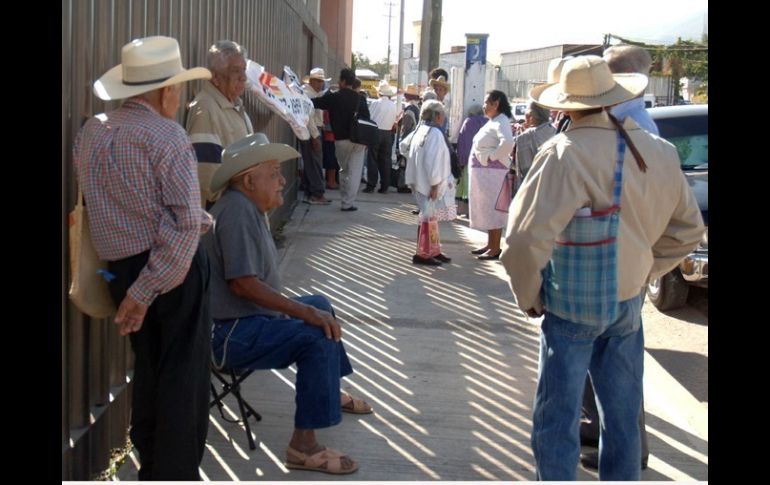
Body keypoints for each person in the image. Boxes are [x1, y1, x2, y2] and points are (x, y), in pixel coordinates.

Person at [500, 56, 704, 480]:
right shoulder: (659, 151)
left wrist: (529, 295)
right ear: (611, 96)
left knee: (557, 418)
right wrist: (646, 269)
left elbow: (521, 240)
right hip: (628, 305)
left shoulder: (563, 153)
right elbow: (687, 231)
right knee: (623, 416)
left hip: (571, 307)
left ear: (565, 106)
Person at [73, 36, 213, 480]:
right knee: (183, 379)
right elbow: (185, 223)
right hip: (171, 270)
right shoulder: (167, 135)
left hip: (120, 269)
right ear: (167, 90)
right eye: (178, 88)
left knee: (149, 369)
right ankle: (172, 474)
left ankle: (151, 466)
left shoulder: (91, 131)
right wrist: (147, 290)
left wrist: (135, 292)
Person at [203, 133, 373, 475]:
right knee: (315, 335)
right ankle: (303, 447)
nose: (282, 180)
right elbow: (243, 284)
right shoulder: (236, 211)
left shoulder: (246, 206)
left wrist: (308, 309)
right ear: (249, 181)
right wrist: (303, 312)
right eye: (274, 173)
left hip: (245, 319)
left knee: (320, 303)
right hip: (228, 333)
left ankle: (328, 389)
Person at [578, 44, 662, 472]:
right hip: (615, 262)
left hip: (617, 265)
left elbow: (673, 218)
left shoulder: (635, 126)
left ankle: (630, 452)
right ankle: (596, 430)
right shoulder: (624, 119)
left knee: (621, 372)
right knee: (607, 361)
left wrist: (647, 268)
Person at [186, 40, 253, 206]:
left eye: (244, 70)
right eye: (235, 71)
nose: (243, 77)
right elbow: (207, 181)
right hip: (224, 212)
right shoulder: (206, 109)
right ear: (215, 77)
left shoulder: (234, 104)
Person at [401, 100, 454, 265]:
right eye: (443, 114)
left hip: (419, 181)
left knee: (430, 218)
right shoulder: (434, 133)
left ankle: (433, 250)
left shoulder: (421, 129)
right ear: (437, 116)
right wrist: (435, 184)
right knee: (427, 218)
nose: (444, 117)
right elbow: (432, 161)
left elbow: (403, 147)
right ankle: (423, 254)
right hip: (429, 184)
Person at [312, 68, 371, 212]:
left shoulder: (335, 97)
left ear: (343, 81)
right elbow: (367, 119)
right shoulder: (360, 98)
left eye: (339, 80)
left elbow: (315, 103)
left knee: (344, 169)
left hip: (341, 140)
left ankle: (345, 198)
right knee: (355, 172)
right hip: (358, 140)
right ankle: (348, 203)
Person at [468, 90, 515, 260]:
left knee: (494, 210)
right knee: (487, 209)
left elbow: (508, 142)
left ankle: (495, 248)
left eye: (486, 102)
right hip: (486, 174)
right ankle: (490, 244)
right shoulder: (494, 121)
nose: (484, 106)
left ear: (496, 104)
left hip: (493, 175)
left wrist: (491, 157)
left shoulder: (501, 121)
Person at [299, 67, 332, 205]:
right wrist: (315, 136)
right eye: (318, 81)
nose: (320, 84)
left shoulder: (314, 93)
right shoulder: (307, 94)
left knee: (311, 163)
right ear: (311, 81)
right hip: (312, 131)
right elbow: (309, 118)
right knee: (315, 163)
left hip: (314, 130)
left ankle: (310, 192)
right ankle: (317, 194)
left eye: (322, 81)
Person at [363, 81, 398, 193]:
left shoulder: (375, 103)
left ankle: (371, 184)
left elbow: (369, 118)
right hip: (388, 133)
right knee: (385, 160)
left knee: (372, 159)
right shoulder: (393, 105)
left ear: (379, 93)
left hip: (375, 132)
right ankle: (385, 185)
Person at [513, 101, 556, 183]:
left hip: (533, 183)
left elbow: (524, 169)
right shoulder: (554, 130)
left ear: (530, 115)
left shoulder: (525, 137)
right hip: (552, 181)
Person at [455, 105, 487, 216]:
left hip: (470, 159)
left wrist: (461, 161)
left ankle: (466, 211)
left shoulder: (468, 122)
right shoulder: (487, 122)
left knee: (467, 185)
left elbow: (464, 143)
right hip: (484, 159)